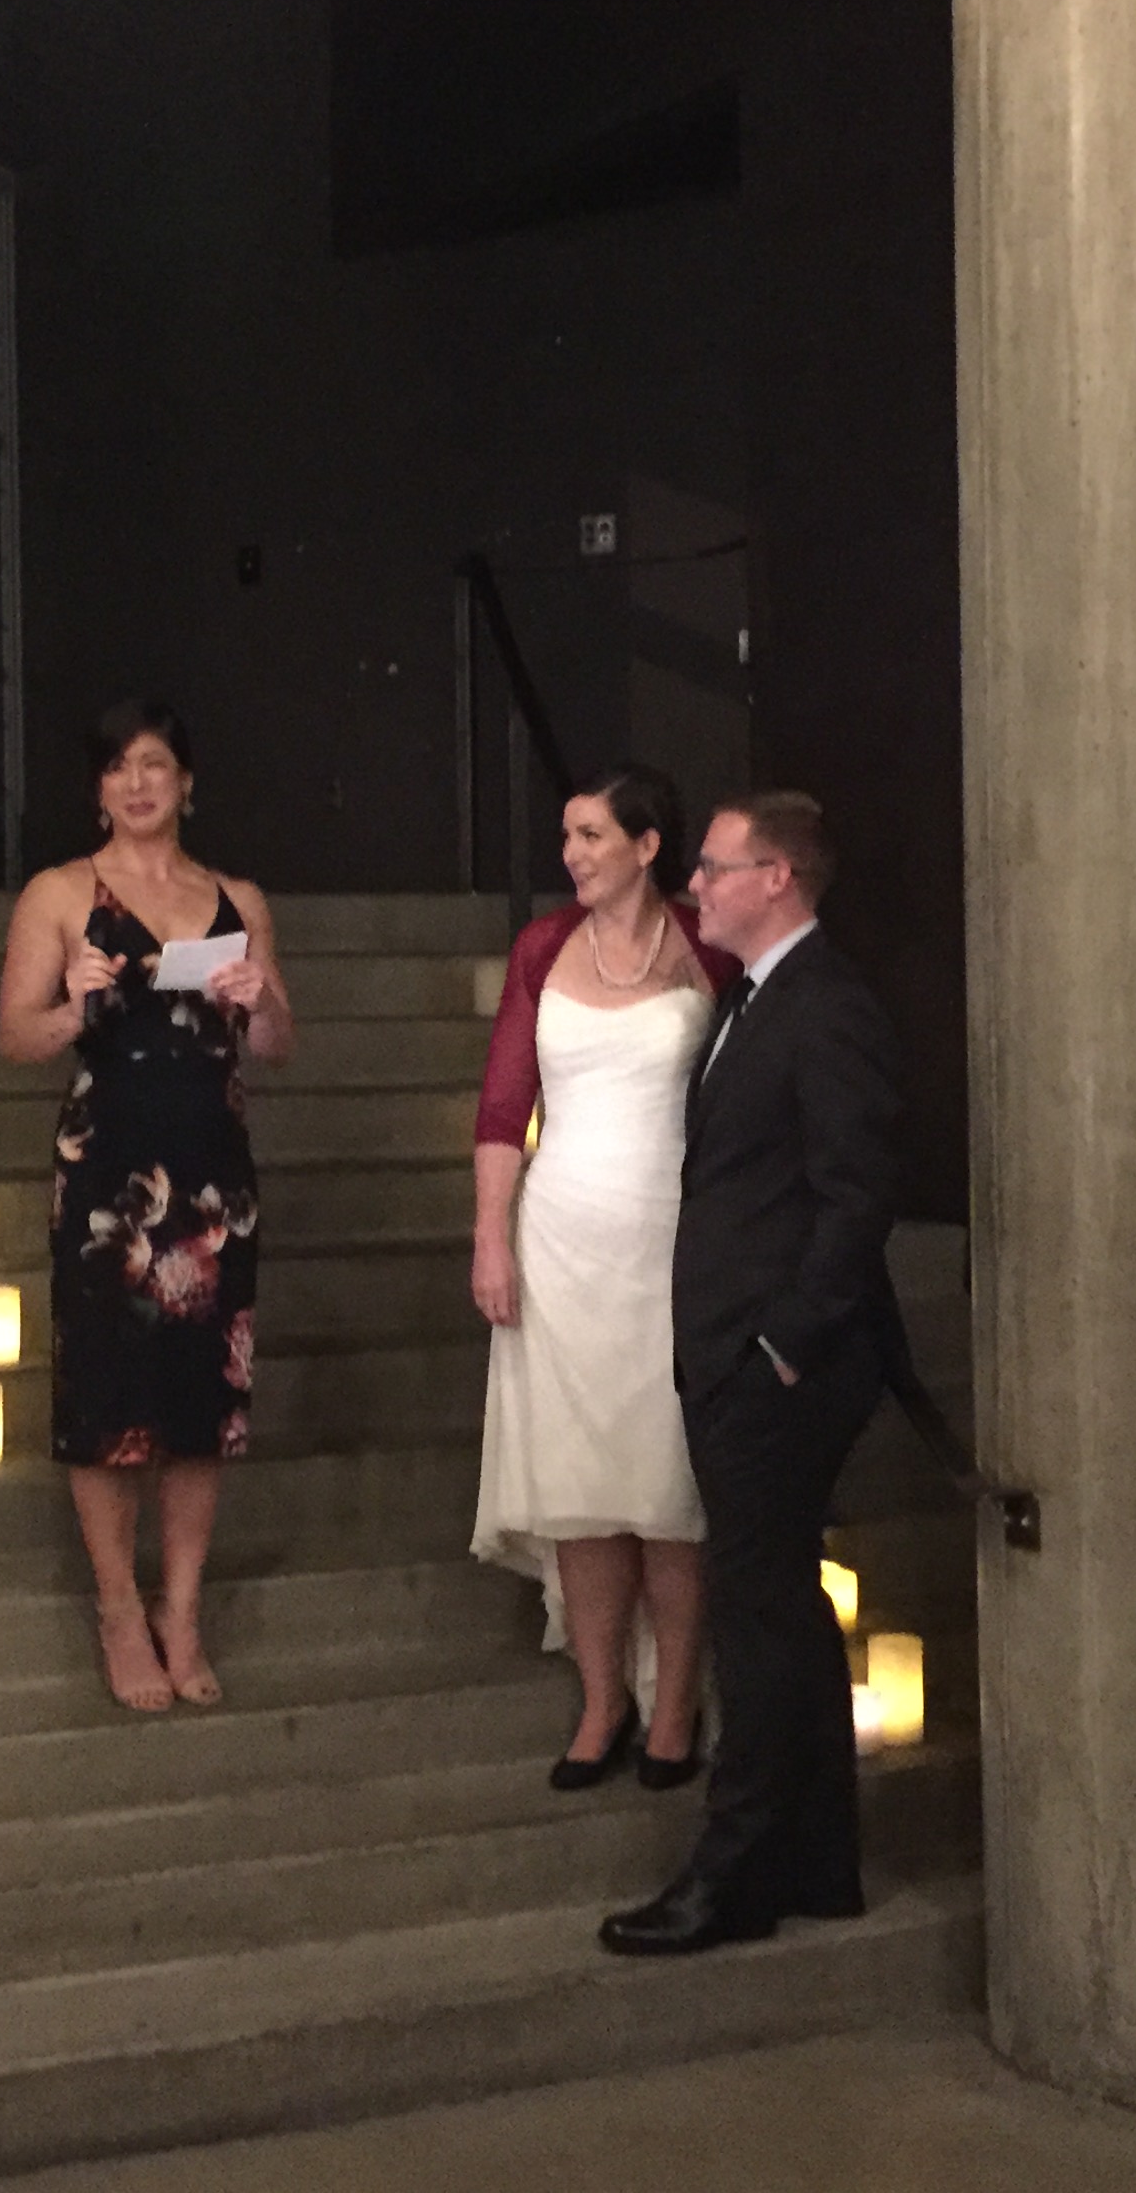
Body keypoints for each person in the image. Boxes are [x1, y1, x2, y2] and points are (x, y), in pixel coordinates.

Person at [602, 790, 903, 1956]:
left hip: (780, 1367)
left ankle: (730, 1878)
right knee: (783, 1609)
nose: (697, 886)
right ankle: (818, 1863)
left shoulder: (826, 1006)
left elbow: (855, 1194)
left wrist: (783, 1343)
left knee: (758, 1620)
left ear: (777, 878)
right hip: (737, 1353)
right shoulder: (755, 999)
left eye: (717, 868)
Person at [0, 700, 293, 1713]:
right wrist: (72, 1005)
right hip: (107, 1176)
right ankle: (120, 1610)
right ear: (98, 788)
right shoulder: (59, 893)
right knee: (106, 1396)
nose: (137, 784)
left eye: (155, 764)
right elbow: (15, 1038)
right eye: (118, 767)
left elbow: (278, 1045)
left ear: (186, 782)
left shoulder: (238, 897)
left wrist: (260, 999)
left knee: (203, 1399)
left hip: (214, 1173)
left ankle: (184, 1609)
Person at [468, 764, 735, 1792]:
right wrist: (491, 1237)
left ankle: (674, 1706)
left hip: (675, 1247)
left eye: (590, 835)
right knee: (581, 1493)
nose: (571, 853)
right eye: (568, 835)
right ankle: (600, 1701)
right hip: (562, 1247)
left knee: (667, 1488)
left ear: (646, 845)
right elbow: (504, 1108)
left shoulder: (707, 943)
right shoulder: (541, 948)